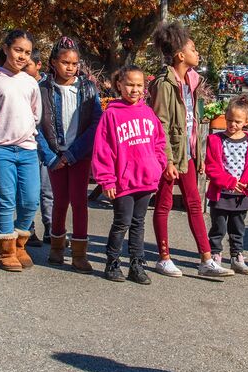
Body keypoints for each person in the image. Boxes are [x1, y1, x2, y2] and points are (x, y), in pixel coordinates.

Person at [148, 22, 233, 278]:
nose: (198, 54)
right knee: (163, 204)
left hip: (188, 153)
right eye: (193, 48)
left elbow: (193, 123)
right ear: (180, 55)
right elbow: (161, 123)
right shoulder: (164, 84)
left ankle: (206, 260)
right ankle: (163, 258)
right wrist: (168, 160)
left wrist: (198, 156)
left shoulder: (192, 83)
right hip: (169, 156)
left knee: (194, 203)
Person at [0, 29, 42, 272]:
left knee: (31, 200)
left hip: (27, 150)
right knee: (6, 200)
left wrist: (28, 135)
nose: (22, 56)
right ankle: (6, 250)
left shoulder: (31, 82)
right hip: (0, 150)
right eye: (18, 50)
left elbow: (36, 115)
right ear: (5, 48)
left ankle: (20, 243)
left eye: (27, 52)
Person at [91, 66, 166, 284]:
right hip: (123, 182)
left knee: (138, 223)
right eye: (130, 84)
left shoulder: (148, 113)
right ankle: (112, 262)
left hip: (146, 179)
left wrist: (158, 164)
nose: (134, 89)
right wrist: (107, 179)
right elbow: (103, 150)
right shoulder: (111, 114)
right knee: (122, 222)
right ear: (119, 85)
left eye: (139, 85)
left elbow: (159, 142)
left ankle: (136, 264)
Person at [37, 36, 102, 273]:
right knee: (59, 202)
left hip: (79, 155)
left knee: (79, 203)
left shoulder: (87, 88)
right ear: (54, 62)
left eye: (74, 63)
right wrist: (51, 157)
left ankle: (79, 254)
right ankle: (56, 249)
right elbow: (35, 126)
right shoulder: (42, 89)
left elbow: (96, 122)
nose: (70, 67)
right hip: (55, 156)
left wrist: (74, 154)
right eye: (65, 62)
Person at [204, 95, 248, 275]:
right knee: (218, 227)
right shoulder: (215, 140)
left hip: (241, 194)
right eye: (229, 120)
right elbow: (211, 167)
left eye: (237, 121)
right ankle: (215, 256)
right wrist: (229, 182)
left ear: (247, 121)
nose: (232, 124)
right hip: (221, 193)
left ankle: (237, 256)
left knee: (238, 228)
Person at [22, 50, 52, 247]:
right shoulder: (20, 84)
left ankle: (51, 228)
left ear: (39, 65)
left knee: (47, 191)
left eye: (28, 65)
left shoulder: (49, 86)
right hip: (29, 143)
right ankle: (28, 229)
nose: (24, 69)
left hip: (48, 145)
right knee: (28, 191)